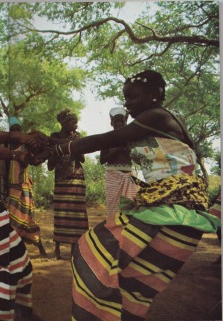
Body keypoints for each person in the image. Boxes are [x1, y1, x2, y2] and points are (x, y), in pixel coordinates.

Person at [35, 70, 220, 321]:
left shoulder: (157, 116)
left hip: (173, 213)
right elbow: (109, 145)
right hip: (171, 213)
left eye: (132, 97)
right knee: (132, 288)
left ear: (155, 95)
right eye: (125, 98)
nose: (127, 104)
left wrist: (58, 147)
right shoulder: (153, 124)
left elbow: (109, 139)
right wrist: (53, 142)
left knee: (89, 253)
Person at [0, 103, 49, 320]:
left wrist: (18, 156)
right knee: (7, 264)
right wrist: (20, 138)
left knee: (17, 262)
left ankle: (21, 313)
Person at [47, 109, 89, 260]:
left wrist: (75, 144)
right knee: (61, 213)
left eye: (76, 122)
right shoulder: (54, 137)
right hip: (60, 179)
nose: (76, 125)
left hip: (76, 177)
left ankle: (73, 249)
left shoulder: (77, 136)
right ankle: (57, 248)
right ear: (64, 123)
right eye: (73, 121)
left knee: (76, 213)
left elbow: (82, 159)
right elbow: (50, 163)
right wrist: (59, 150)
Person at [7, 116, 48, 258]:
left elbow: (34, 161)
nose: (17, 132)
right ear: (10, 131)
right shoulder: (5, 147)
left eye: (19, 129)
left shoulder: (25, 147)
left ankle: (40, 247)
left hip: (23, 188)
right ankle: (14, 252)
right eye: (13, 130)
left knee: (26, 219)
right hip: (11, 188)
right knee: (12, 220)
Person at [100, 107, 137, 217]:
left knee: (130, 207)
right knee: (114, 207)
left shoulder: (131, 138)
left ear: (126, 122)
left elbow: (137, 157)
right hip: (113, 176)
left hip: (128, 176)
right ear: (112, 123)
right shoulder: (106, 138)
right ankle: (113, 230)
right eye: (116, 121)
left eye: (122, 121)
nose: (120, 123)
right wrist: (118, 149)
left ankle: (126, 233)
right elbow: (102, 160)